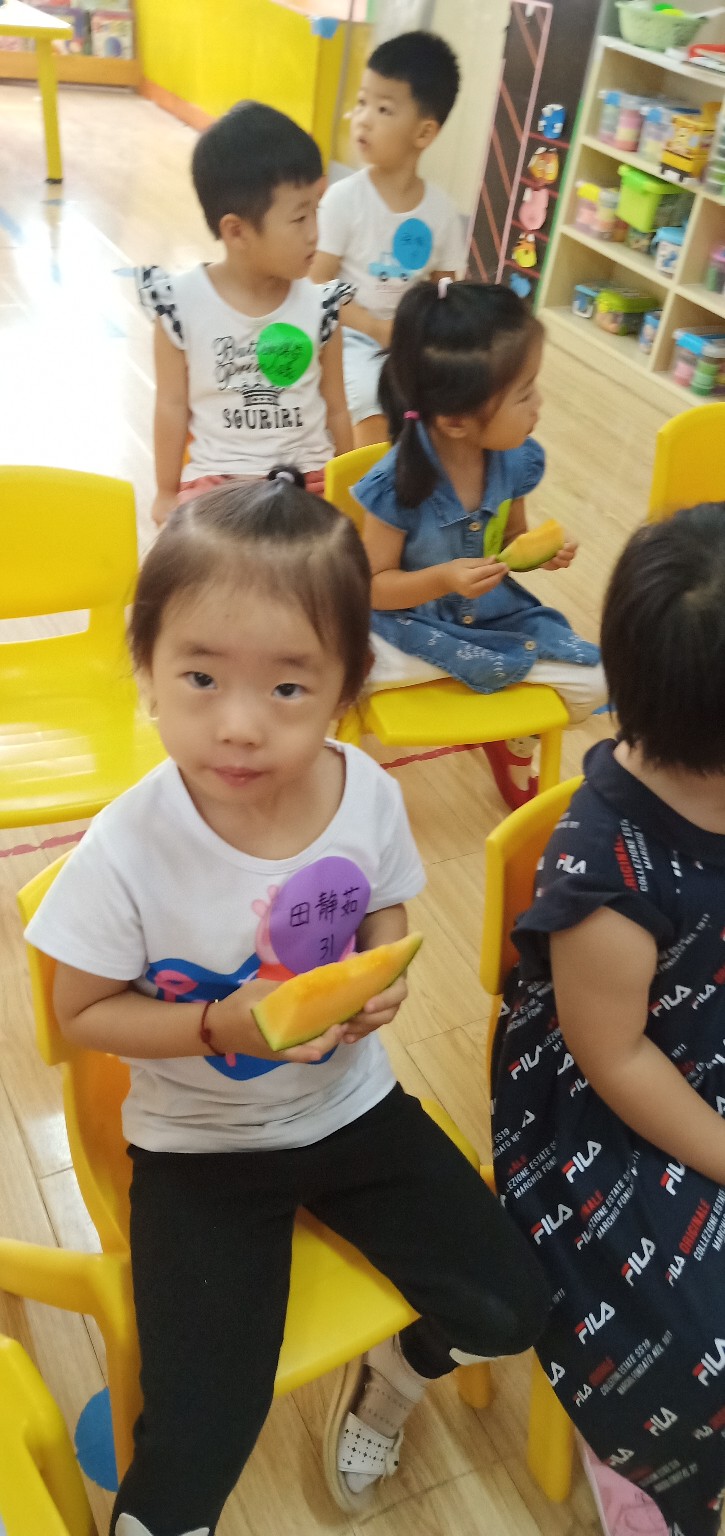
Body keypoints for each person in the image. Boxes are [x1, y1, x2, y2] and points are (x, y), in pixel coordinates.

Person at [26, 470, 550, 1536]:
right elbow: (82, 1015)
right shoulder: (126, 851)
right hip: (200, 1151)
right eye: (200, 677)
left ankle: (397, 1377)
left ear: (347, 684)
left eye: (286, 689)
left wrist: (383, 972)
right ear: (146, 666)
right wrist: (219, 1027)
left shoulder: (366, 794)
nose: (237, 727)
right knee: (193, 1446)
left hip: (352, 1111)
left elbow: (385, 910)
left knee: (511, 1311)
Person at [492, 504, 725, 1536]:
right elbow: (614, 1057)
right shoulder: (606, 872)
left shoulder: (700, 746)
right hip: (614, 1105)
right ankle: (643, 1458)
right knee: (696, 1335)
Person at [352, 279, 605, 810]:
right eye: (524, 394)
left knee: (597, 682)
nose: (539, 404)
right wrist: (442, 579)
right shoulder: (395, 483)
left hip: (493, 621)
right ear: (456, 421)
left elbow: (513, 539)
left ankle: (507, 730)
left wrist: (540, 553)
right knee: (337, 679)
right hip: (410, 628)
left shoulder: (516, 458)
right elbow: (373, 587)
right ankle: (480, 681)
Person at [137, 102, 353, 527]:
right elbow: (171, 406)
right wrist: (165, 491)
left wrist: (348, 486)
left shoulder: (321, 307)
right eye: (299, 217)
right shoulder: (179, 306)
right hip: (218, 485)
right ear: (236, 231)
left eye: (317, 210)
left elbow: (337, 409)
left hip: (307, 481)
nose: (315, 233)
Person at [311, 30, 464, 447]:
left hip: (409, 343)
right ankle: (365, 485)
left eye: (383, 109)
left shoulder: (442, 212)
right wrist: (375, 327)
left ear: (424, 133)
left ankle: (424, 477)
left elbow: (446, 293)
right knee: (370, 404)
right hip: (348, 336)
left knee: (459, 401)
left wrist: (432, 339)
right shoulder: (344, 199)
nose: (363, 118)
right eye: (362, 102)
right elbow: (317, 284)